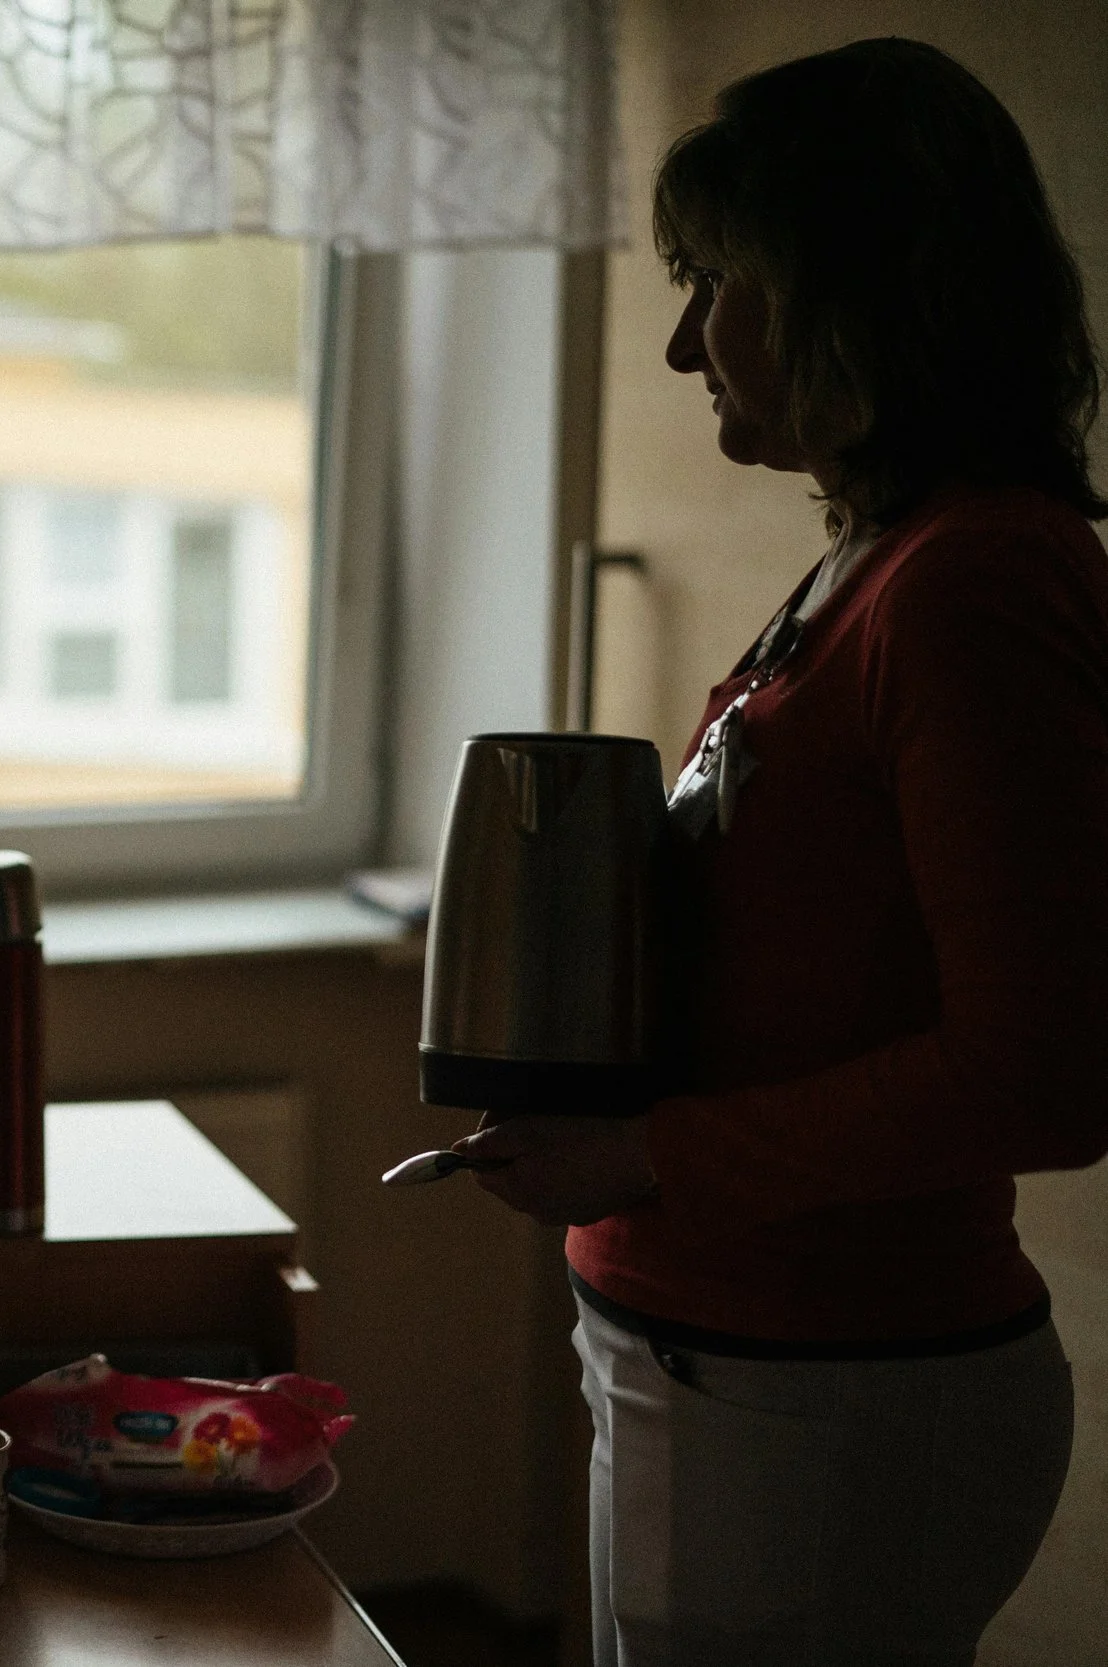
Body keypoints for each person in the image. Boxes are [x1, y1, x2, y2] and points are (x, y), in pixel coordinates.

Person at [455, 38, 1108, 1667]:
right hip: (728, 1370)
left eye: (713, 285)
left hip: (829, 1396)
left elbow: (1045, 1071)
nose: (684, 345)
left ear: (854, 297)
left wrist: (647, 1154)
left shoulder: (973, 590)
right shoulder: (876, 568)